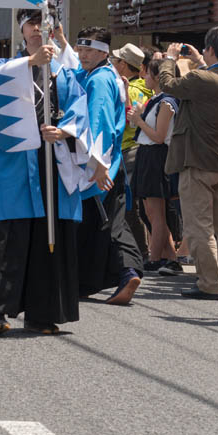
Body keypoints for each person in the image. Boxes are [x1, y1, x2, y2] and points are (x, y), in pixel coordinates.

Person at [0, 12, 92, 335]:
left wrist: (64, 131)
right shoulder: (4, 67)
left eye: (44, 26)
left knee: (49, 239)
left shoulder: (65, 75)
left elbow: (79, 111)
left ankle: (42, 313)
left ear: (54, 31)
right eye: (31, 26)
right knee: (10, 238)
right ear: (22, 32)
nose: (37, 32)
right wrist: (30, 62)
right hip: (17, 164)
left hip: (54, 163)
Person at [158, 29, 218, 300]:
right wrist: (202, 61)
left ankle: (209, 283)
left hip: (197, 162)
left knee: (199, 226)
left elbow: (168, 84)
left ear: (212, 50)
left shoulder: (201, 78)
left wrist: (169, 59)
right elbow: (210, 78)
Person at [73, 27, 144, 305]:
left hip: (99, 164)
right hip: (106, 162)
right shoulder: (100, 75)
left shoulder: (101, 79)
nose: (83, 55)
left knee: (100, 224)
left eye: (89, 50)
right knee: (111, 223)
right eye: (80, 49)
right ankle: (127, 273)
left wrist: (97, 164)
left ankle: (123, 274)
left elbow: (99, 121)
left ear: (104, 52)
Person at [128, 57, 181, 276]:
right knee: (150, 211)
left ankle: (155, 257)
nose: (144, 76)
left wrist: (140, 121)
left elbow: (159, 136)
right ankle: (171, 258)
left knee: (155, 211)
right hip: (147, 153)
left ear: (158, 76)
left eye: (148, 73)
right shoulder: (157, 99)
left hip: (157, 155)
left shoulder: (167, 101)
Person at [112, 43, 151, 259]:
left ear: (124, 64)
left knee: (129, 205)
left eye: (116, 60)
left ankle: (141, 251)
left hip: (130, 149)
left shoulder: (133, 89)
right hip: (136, 149)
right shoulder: (145, 87)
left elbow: (131, 121)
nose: (113, 63)